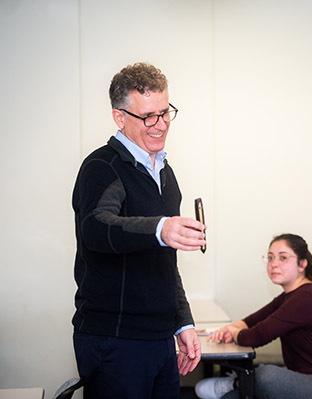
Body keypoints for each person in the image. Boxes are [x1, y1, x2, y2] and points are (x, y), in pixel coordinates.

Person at [71, 62, 206, 398]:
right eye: (148, 116)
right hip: (116, 341)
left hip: (159, 338)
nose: (160, 125)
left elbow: (165, 263)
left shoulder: (164, 173)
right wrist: (160, 228)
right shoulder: (103, 167)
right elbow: (97, 227)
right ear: (120, 117)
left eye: (165, 113)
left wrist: (183, 322)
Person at [194, 233, 312, 399]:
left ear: (302, 264)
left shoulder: (307, 297)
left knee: (266, 375)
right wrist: (228, 329)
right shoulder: (292, 295)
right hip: (307, 378)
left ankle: (237, 383)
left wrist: (233, 333)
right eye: (270, 258)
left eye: (283, 258)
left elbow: (256, 337)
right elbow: (251, 321)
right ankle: (239, 383)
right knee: (260, 378)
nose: (274, 264)